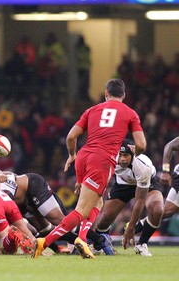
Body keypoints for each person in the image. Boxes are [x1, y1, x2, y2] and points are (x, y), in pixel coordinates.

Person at [32, 78, 146, 259]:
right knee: (81, 211)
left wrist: (71, 156)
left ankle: (82, 239)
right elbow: (141, 143)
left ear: (106, 94)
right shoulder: (130, 113)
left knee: (97, 203)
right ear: (124, 95)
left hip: (83, 156)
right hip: (101, 161)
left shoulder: (92, 110)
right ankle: (44, 242)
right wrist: (136, 152)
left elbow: (71, 137)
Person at [95, 139, 164, 257]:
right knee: (104, 219)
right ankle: (100, 245)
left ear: (133, 154)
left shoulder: (143, 167)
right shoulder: (109, 157)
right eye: (120, 155)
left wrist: (131, 227)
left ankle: (141, 244)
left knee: (158, 210)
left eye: (126, 155)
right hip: (123, 184)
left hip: (147, 182)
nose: (122, 159)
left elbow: (140, 200)